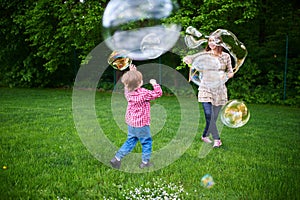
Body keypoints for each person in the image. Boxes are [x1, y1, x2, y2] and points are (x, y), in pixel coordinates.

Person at [183, 34, 234, 148]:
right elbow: (191, 58)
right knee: (208, 113)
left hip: (219, 89)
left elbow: (230, 72)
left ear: (219, 43)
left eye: (214, 41)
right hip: (205, 87)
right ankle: (217, 139)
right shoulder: (205, 55)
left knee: (213, 117)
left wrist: (228, 75)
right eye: (209, 41)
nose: (211, 43)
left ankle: (204, 135)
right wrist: (187, 59)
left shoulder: (226, 56)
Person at [110, 64, 163, 169]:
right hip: (142, 124)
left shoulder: (128, 92)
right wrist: (155, 84)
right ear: (139, 83)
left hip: (131, 123)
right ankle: (145, 162)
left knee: (130, 141)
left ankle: (117, 158)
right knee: (146, 142)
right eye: (141, 80)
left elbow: (128, 84)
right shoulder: (143, 93)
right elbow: (158, 93)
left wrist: (132, 72)